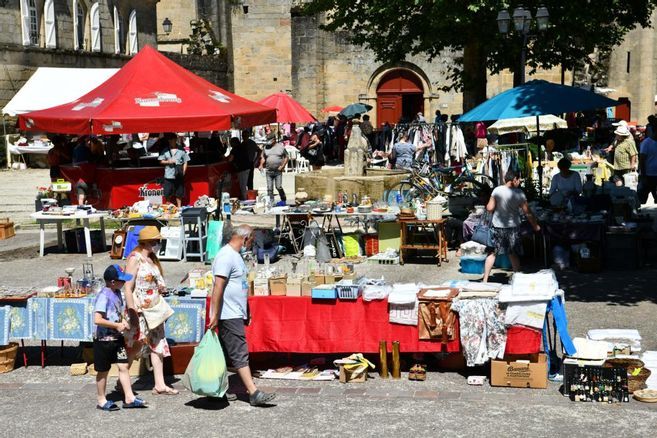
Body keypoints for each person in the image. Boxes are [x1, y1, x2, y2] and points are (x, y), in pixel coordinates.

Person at [208, 225, 276, 407]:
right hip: (227, 313)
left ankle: (217, 391)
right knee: (239, 351)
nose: (252, 243)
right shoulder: (226, 256)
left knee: (224, 353)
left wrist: (246, 309)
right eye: (252, 240)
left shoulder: (235, 256)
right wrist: (214, 314)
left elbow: (239, 285)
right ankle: (253, 392)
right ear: (245, 238)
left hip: (234, 311)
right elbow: (218, 287)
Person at [123, 226, 178, 396]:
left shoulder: (152, 260)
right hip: (140, 310)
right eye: (156, 241)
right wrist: (132, 311)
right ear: (146, 242)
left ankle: (160, 384)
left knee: (158, 344)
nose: (158, 244)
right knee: (136, 345)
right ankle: (122, 378)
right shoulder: (135, 259)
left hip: (155, 310)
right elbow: (128, 287)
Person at [93, 264, 147, 411]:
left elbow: (116, 313)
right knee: (103, 370)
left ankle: (129, 398)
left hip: (117, 338)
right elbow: (97, 319)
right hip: (104, 340)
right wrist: (115, 325)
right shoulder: (103, 296)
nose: (124, 283)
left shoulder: (117, 293)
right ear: (112, 281)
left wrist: (122, 322)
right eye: (121, 280)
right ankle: (101, 399)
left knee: (123, 366)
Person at [483, 171, 541, 283]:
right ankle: (517, 279)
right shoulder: (519, 193)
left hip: (497, 226)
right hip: (513, 227)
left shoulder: (497, 190)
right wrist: (535, 226)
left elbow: (490, 208)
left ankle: (485, 280)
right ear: (514, 179)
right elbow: (527, 213)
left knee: (492, 253)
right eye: (518, 180)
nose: (519, 182)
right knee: (513, 253)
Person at [158, 133, 190, 208]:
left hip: (179, 174)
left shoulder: (181, 149)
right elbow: (160, 161)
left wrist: (184, 171)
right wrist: (168, 162)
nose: (170, 141)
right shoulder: (165, 150)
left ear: (175, 140)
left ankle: (179, 207)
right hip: (168, 175)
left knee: (179, 192)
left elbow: (186, 161)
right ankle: (168, 208)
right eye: (169, 140)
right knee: (168, 192)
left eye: (172, 139)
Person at [260, 139, 288, 205]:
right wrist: (261, 165)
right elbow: (263, 157)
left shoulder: (281, 147)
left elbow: (286, 157)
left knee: (278, 186)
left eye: (269, 139)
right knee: (269, 188)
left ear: (274, 140)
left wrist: (282, 166)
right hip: (269, 171)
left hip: (278, 171)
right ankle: (271, 202)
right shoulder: (266, 148)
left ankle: (283, 199)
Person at [639, 126, 657, 204]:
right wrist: (643, 176)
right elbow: (642, 160)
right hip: (648, 175)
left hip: (655, 175)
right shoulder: (646, 143)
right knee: (642, 199)